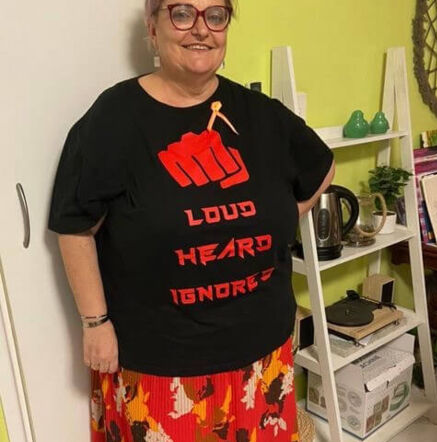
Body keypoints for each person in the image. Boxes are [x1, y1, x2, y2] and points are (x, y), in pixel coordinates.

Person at [48, 0, 335, 440]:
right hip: (161, 367)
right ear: (153, 25)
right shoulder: (114, 119)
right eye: (182, 12)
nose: (200, 29)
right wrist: (95, 322)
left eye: (215, 15)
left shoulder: (260, 114)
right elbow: (74, 225)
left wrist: (281, 215)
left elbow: (322, 166)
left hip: (262, 355)